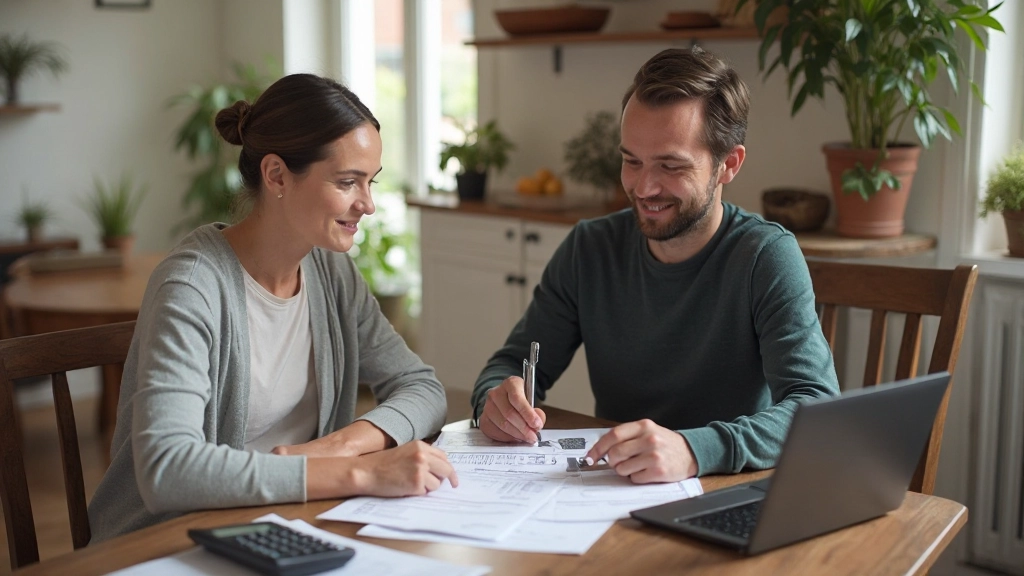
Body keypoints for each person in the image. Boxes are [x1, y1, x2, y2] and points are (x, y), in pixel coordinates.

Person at [89, 74, 458, 542]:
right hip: (164, 542)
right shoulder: (192, 286)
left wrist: (341, 446)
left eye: (371, 183)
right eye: (348, 182)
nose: (367, 204)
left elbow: (421, 386)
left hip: (280, 526)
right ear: (277, 175)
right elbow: (168, 467)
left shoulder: (331, 274)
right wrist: (360, 474)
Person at [471, 47, 840, 483]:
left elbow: (814, 406)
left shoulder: (765, 256)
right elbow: (512, 362)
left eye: (670, 165)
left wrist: (692, 449)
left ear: (729, 165)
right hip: (615, 489)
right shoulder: (589, 248)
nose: (645, 187)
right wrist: (494, 402)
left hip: (726, 487)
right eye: (632, 161)